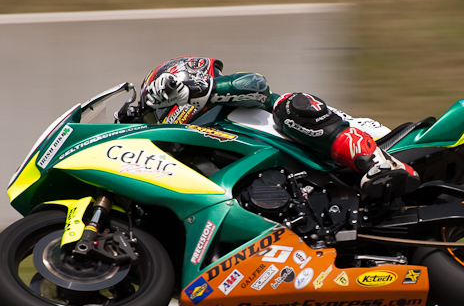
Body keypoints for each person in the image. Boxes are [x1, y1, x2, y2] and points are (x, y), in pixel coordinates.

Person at [141, 56, 419, 200]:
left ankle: (380, 164)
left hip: (377, 143)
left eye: (159, 111)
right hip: (317, 188)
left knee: (290, 106)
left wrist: (205, 89)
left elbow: (256, 84)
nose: (159, 122)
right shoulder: (202, 146)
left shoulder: (233, 105)